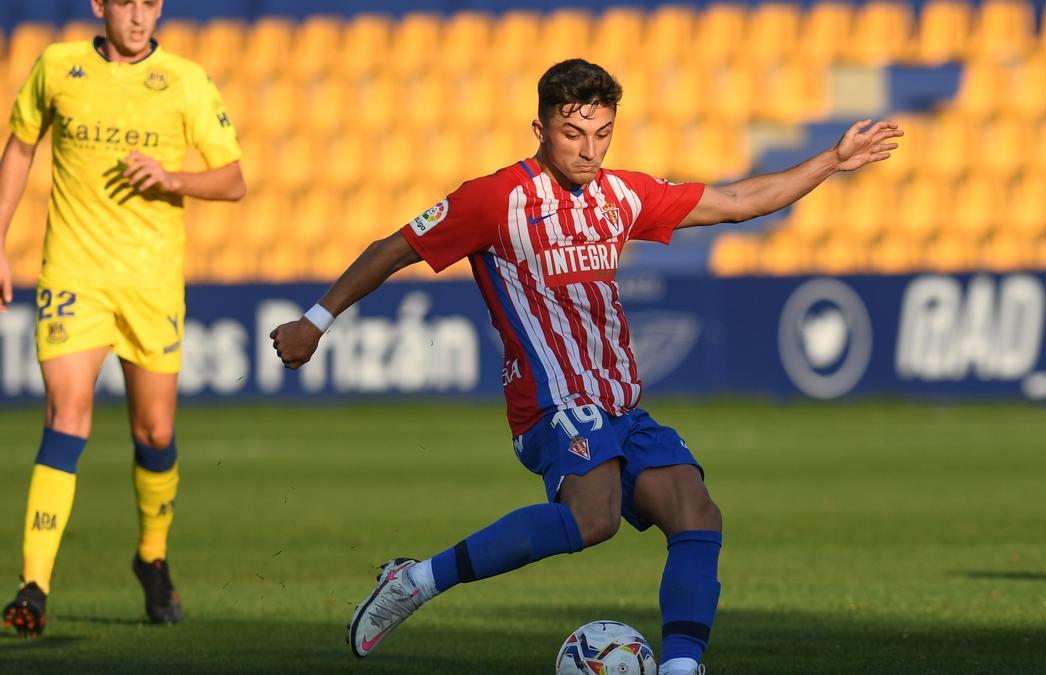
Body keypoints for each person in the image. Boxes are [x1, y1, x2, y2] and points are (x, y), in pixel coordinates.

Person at [270, 59, 900, 673]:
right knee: (593, 518)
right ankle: (417, 581)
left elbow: (737, 200)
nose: (589, 149)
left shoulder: (621, 194)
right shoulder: (495, 200)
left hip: (621, 403)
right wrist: (316, 321)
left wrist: (832, 162)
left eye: (602, 134)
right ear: (540, 130)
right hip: (552, 403)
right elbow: (394, 248)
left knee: (696, 513)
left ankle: (681, 667)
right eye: (573, 133)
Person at [0, 0, 245, 638]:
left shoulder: (186, 80)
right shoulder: (57, 67)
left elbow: (235, 179)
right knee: (66, 413)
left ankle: (152, 558)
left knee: (156, 431)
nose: (139, 16)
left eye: (150, 4)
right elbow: (20, 148)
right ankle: (34, 584)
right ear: (99, 5)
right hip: (73, 277)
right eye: (126, 3)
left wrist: (173, 178)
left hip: (151, 285)